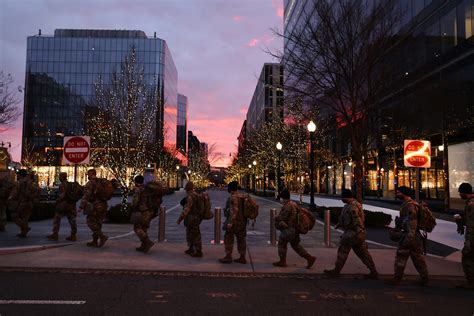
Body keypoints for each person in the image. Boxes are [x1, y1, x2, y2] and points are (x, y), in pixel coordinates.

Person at [324, 189, 378, 279]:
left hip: (352, 233)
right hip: (356, 233)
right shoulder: (350, 205)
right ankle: (373, 271)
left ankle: (336, 271)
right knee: (363, 253)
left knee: (342, 251)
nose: (341, 199)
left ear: (346, 197)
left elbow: (357, 220)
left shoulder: (352, 207)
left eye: (342, 197)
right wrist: (339, 224)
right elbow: (345, 218)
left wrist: (359, 231)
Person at [388, 186, 428, 286]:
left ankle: (397, 279)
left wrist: (408, 238)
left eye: (399, 192)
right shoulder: (407, 205)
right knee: (417, 258)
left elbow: (412, 223)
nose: (397, 194)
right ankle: (424, 278)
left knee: (401, 257)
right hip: (413, 236)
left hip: (410, 236)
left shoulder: (410, 206)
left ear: (404, 193)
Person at [273, 189, 316, 269]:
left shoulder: (288, 206)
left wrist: (275, 217)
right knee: (296, 245)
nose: (281, 200)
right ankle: (309, 258)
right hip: (295, 230)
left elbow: (282, 217)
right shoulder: (294, 204)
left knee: (282, 243)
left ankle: (282, 261)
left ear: (284, 198)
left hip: (289, 229)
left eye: (281, 198)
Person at [219, 181, 247, 264]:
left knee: (228, 238)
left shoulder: (233, 197)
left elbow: (233, 211)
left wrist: (230, 222)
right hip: (243, 221)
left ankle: (228, 256)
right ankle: (242, 257)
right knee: (241, 239)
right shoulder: (242, 196)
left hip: (235, 222)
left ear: (230, 189)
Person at [78, 169, 108, 247]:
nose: (88, 176)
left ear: (91, 174)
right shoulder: (101, 182)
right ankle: (95, 241)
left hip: (96, 206)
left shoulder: (90, 183)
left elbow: (86, 196)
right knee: (98, 223)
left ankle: (102, 237)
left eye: (88, 174)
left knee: (90, 222)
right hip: (104, 205)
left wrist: (81, 207)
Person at [8, 169, 39, 238]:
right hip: (30, 203)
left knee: (14, 216)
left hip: (21, 203)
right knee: (25, 218)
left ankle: (25, 227)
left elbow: (14, 193)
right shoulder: (32, 182)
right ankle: (23, 233)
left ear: (19, 175)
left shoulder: (18, 183)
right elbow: (37, 191)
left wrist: (10, 198)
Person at [47, 172, 77, 241]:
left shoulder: (62, 185)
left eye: (59, 176)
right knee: (72, 220)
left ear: (61, 177)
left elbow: (62, 195)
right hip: (71, 204)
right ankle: (73, 235)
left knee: (57, 219)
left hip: (64, 204)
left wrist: (57, 201)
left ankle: (55, 234)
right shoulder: (71, 184)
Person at [177, 182, 203, 257]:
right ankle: (191, 248)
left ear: (187, 189)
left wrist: (180, 219)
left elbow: (186, 209)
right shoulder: (197, 195)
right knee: (191, 233)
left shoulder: (190, 196)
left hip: (191, 218)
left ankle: (198, 251)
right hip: (196, 217)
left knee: (194, 234)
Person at [456, 183, 474, 290]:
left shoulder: (471, 204)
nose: (459, 195)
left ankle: (471, 282)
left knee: (467, 258)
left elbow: (472, 225)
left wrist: (468, 241)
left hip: (472, 237)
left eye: (460, 192)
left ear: (464, 192)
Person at [131, 175, 155, 253]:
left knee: (137, 228)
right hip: (149, 211)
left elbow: (135, 201)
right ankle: (144, 246)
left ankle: (147, 242)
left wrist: (133, 209)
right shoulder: (147, 189)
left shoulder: (138, 190)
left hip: (142, 211)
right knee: (144, 228)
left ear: (136, 182)